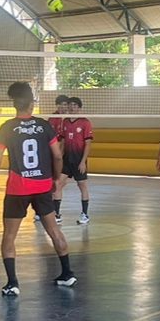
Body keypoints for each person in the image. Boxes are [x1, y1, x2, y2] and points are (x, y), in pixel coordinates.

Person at [0, 81, 75, 293]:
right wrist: (54, 179)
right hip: (42, 185)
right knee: (54, 230)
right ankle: (67, 273)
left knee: (9, 235)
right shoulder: (45, 126)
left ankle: (12, 283)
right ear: (31, 105)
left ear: (14, 105)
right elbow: (58, 155)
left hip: (18, 187)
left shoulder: (7, 128)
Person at [57, 95, 93, 224]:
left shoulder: (85, 122)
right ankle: (57, 215)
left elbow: (88, 143)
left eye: (75, 105)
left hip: (78, 159)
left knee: (82, 185)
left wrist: (83, 161)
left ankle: (85, 214)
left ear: (79, 108)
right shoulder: (65, 121)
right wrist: (59, 158)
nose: (72, 107)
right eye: (70, 105)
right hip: (66, 159)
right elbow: (63, 141)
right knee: (58, 184)